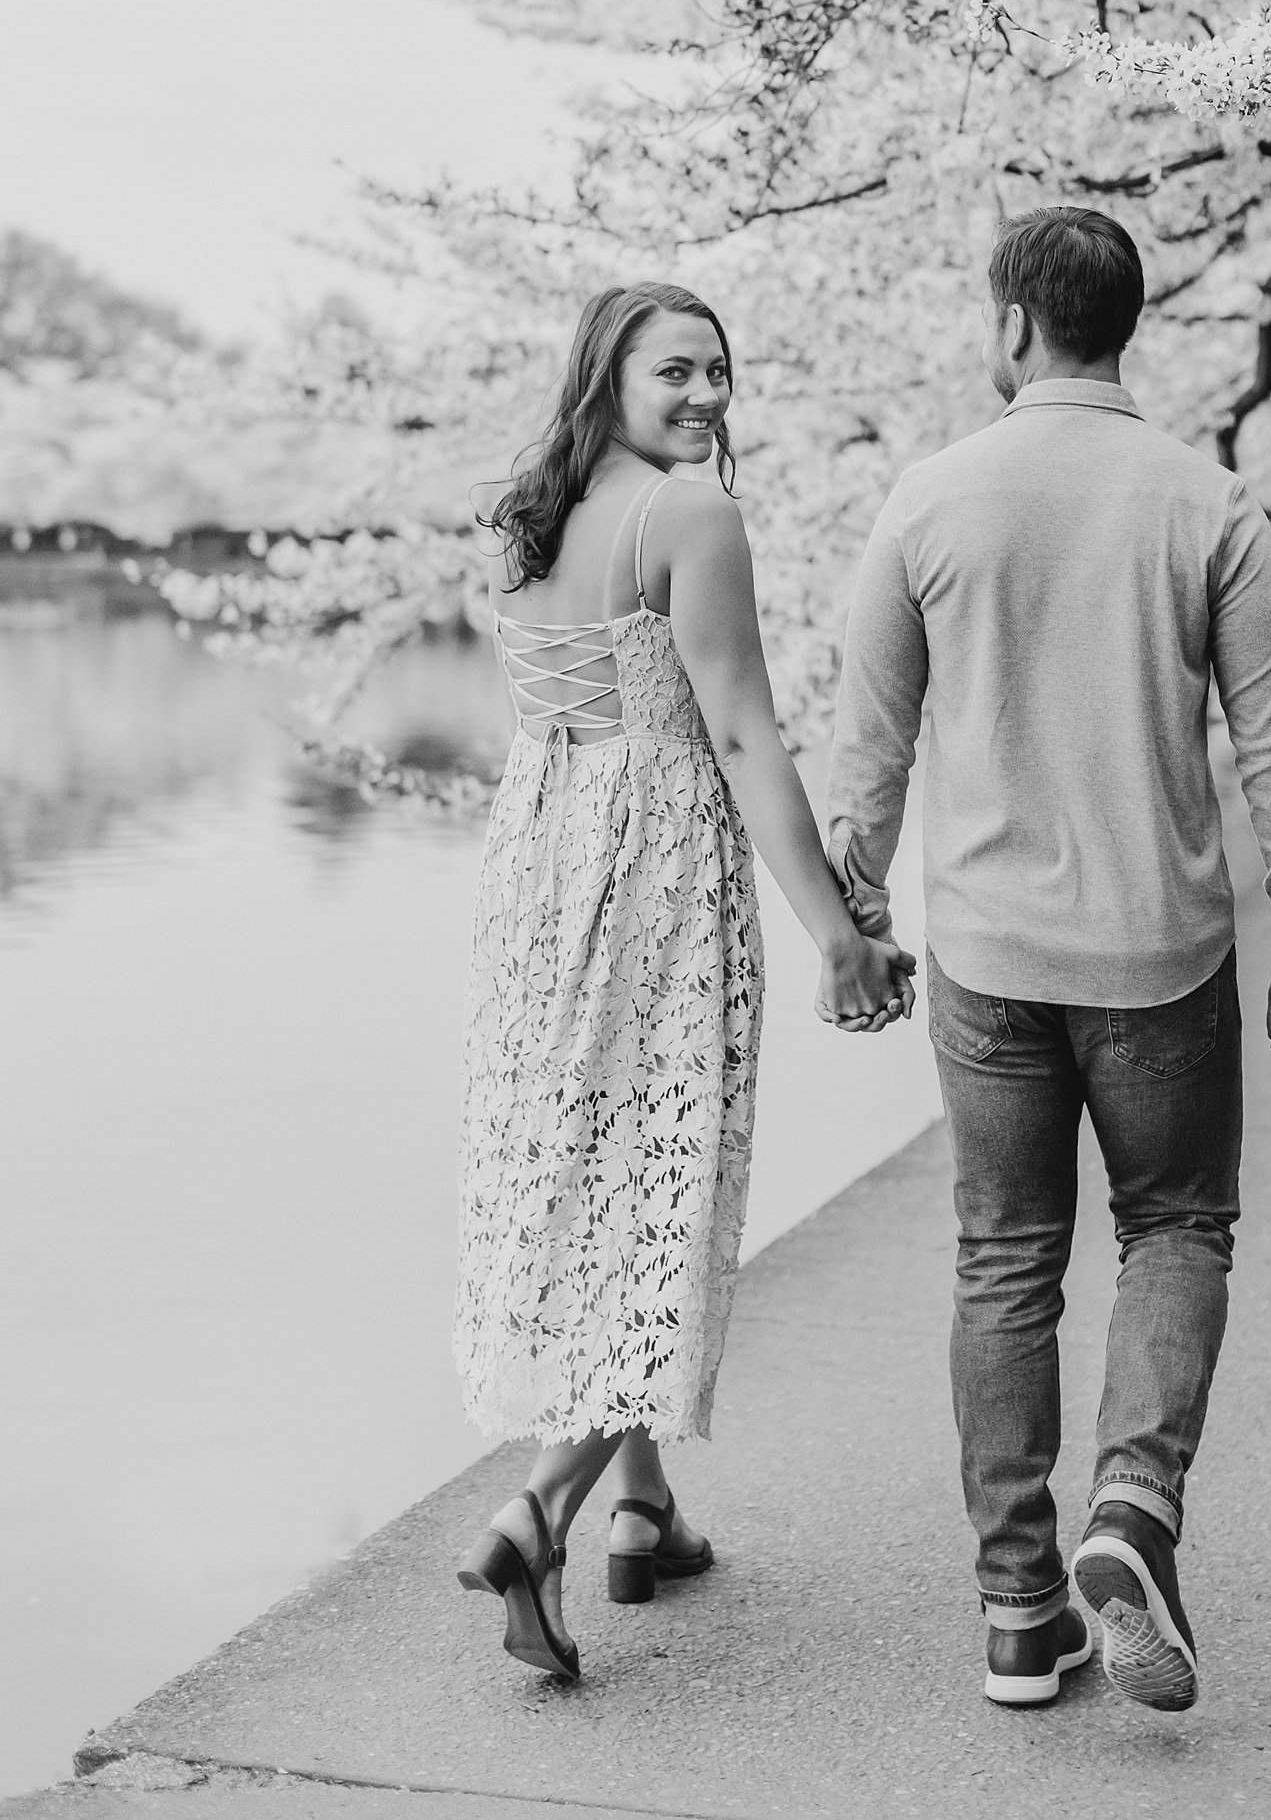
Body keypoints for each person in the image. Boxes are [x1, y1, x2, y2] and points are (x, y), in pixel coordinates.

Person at [825, 208, 1271, 1712]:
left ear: (1009, 326)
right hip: (1157, 951)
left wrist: (860, 919)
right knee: (1176, 1225)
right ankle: (1133, 1505)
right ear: (1128, 327)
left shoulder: (928, 502)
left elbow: (871, 748)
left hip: (988, 956)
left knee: (1004, 1260)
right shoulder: (1206, 502)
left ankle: (1017, 1612)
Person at [452, 280, 914, 1683]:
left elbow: (555, 714)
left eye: (721, 367)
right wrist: (837, 927)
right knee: (665, 1184)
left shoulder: (519, 516)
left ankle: (645, 1506)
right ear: (607, 371)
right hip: (656, 879)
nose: (710, 392)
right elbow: (744, 739)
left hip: (537, 877)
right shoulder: (689, 517)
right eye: (677, 369)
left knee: (603, 1173)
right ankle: (541, 1507)